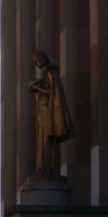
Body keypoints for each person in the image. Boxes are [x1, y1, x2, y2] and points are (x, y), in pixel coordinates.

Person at [28, 50, 74, 178]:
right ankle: (43, 167)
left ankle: (48, 168)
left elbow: (52, 91)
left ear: (41, 59)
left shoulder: (50, 72)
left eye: (36, 62)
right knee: (43, 140)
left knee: (47, 139)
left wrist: (37, 87)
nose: (36, 64)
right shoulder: (48, 73)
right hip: (44, 110)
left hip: (47, 111)